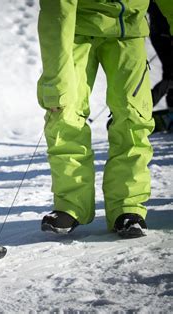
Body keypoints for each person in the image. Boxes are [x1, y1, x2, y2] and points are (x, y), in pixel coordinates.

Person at [37, 1, 155, 238]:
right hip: (74, 30)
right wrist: (54, 76)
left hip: (129, 30)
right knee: (63, 113)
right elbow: (55, 9)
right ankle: (71, 204)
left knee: (133, 118)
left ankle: (128, 206)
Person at [149, 0, 173, 109]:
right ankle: (144, 105)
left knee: (170, 74)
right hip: (162, 32)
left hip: (161, 32)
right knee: (170, 74)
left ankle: (144, 105)